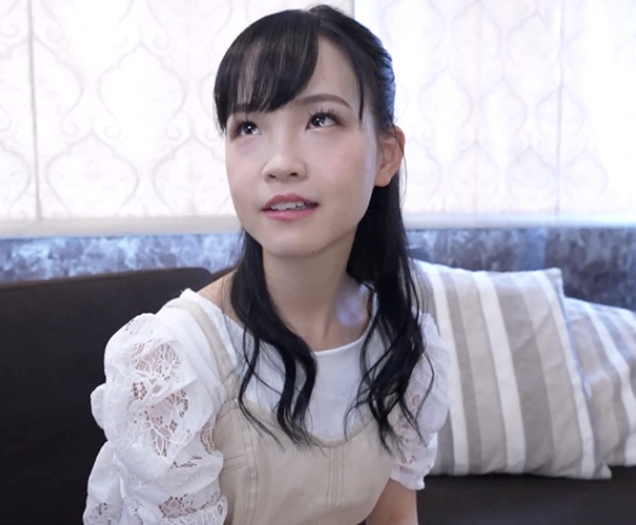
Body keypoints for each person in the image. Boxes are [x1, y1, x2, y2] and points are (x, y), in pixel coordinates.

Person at [83, 5, 449, 525]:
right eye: (249, 126)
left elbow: (393, 518)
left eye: (321, 119)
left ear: (387, 154)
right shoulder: (172, 363)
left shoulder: (404, 345)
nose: (281, 163)